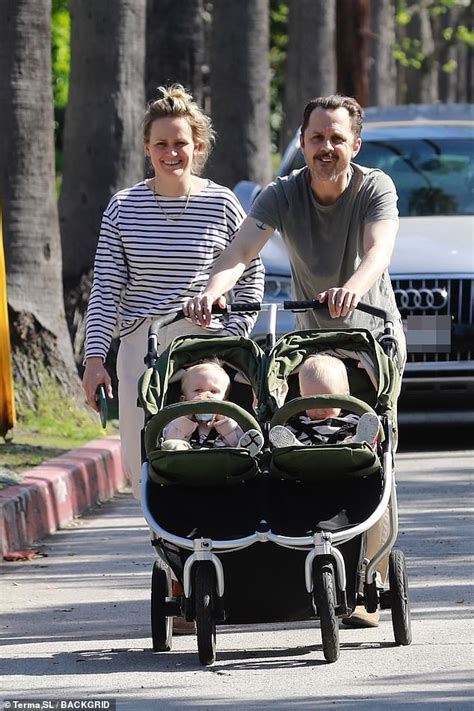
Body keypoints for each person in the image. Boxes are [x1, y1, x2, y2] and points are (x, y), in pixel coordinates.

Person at [184, 94, 405, 628]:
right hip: (312, 346)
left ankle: (368, 575)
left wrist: (351, 289)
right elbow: (239, 252)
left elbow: (379, 250)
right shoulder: (282, 194)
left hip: (371, 338)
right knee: (309, 444)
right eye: (315, 139)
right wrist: (212, 292)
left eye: (336, 138)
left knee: (372, 445)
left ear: (355, 143)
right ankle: (311, 552)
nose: (325, 148)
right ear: (301, 144)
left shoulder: (374, 187)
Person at [82, 84, 264, 501]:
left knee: (217, 446)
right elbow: (106, 287)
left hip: (206, 345)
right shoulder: (123, 207)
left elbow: (250, 273)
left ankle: (217, 542)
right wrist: (95, 360)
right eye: (161, 143)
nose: (171, 152)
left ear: (197, 146)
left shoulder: (222, 203)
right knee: (145, 457)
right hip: (140, 343)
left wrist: (233, 333)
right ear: (147, 148)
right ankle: (168, 553)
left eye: (180, 143)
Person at [269, 354, 380, 448]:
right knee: (286, 434)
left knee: (357, 437)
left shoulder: (352, 421)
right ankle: (292, 445)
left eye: (328, 402)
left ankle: (358, 441)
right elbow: (280, 433)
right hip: (304, 458)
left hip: (346, 456)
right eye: (310, 403)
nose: (319, 410)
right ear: (301, 395)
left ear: (345, 396)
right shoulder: (297, 423)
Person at [160, 359, 264, 455]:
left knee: (239, 440)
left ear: (224, 402)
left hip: (223, 460)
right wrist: (187, 416)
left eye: (213, 391)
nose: (206, 395)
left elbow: (235, 440)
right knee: (172, 444)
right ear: (184, 400)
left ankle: (244, 451)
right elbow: (170, 436)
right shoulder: (178, 420)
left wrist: (223, 419)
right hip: (187, 460)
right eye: (198, 390)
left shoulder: (227, 420)